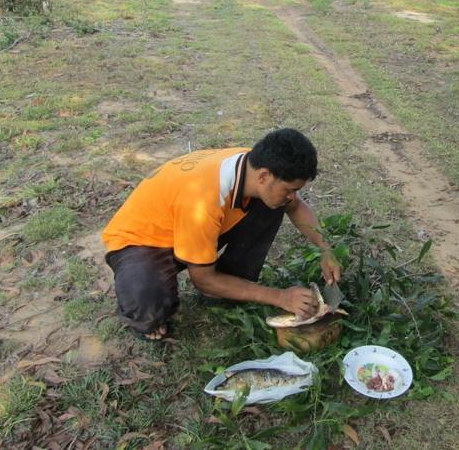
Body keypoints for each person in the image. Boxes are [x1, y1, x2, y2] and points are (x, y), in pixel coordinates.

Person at [102, 128, 342, 340]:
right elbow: (202, 279)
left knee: (273, 205)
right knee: (149, 304)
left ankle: (229, 284)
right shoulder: (204, 200)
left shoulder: (255, 165)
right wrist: (280, 297)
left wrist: (326, 249)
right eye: (290, 189)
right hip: (142, 241)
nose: (293, 196)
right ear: (264, 176)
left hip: (190, 227)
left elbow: (296, 206)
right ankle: (146, 309)